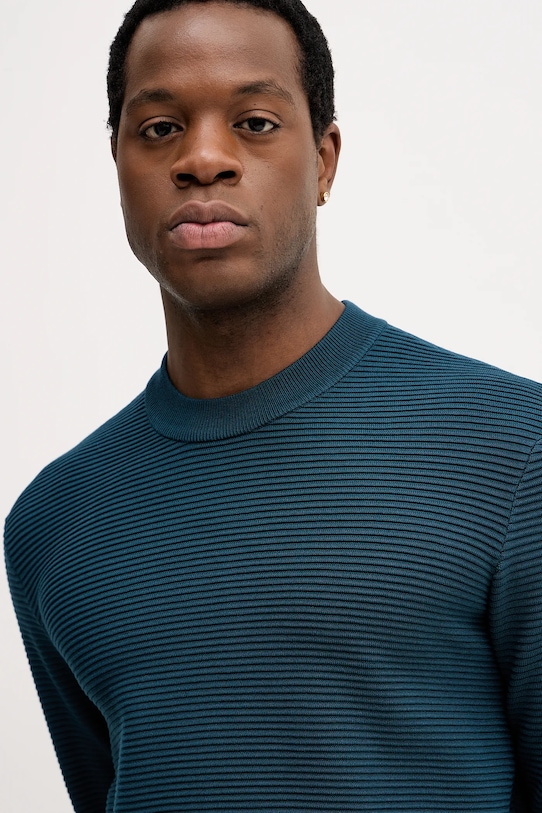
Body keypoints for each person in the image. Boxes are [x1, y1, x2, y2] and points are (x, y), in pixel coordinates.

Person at [4, 0, 542, 810]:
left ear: (324, 161)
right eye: (159, 129)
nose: (203, 159)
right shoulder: (51, 524)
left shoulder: (515, 453)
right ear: (116, 162)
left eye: (254, 123)